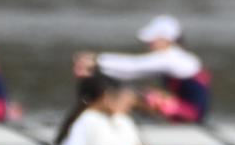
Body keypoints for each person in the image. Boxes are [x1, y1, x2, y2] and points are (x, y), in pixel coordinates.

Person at [73, 15, 210, 124]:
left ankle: (113, 131)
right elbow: (128, 73)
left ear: (165, 39)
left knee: (129, 96)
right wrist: (97, 68)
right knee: (137, 92)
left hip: (191, 115)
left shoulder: (172, 58)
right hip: (186, 111)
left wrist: (96, 60)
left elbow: (133, 67)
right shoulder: (177, 56)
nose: (149, 44)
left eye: (152, 40)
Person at [44, 71, 157, 145]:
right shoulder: (90, 119)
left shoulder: (89, 117)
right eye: (115, 96)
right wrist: (121, 116)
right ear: (105, 97)